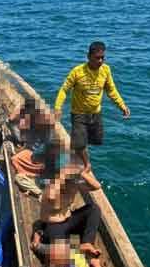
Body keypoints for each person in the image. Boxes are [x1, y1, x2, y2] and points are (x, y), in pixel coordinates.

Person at [54, 41, 130, 172]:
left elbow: (111, 90)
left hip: (96, 113)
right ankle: (86, 162)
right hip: (79, 113)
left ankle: (78, 145)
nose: (100, 61)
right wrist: (57, 108)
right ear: (88, 56)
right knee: (79, 143)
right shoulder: (77, 72)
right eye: (97, 58)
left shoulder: (106, 70)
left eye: (102, 58)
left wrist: (122, 106)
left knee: (96, 140)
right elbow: (64, 90)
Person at [34, 160, 104, 267]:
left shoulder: (74, 182)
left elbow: (97, 186)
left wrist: (82, 173)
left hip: (68, 220)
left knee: (94, 209)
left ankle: (87, 243)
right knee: (59, 253)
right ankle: (84, 253)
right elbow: (52, 197)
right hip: (53, 226)